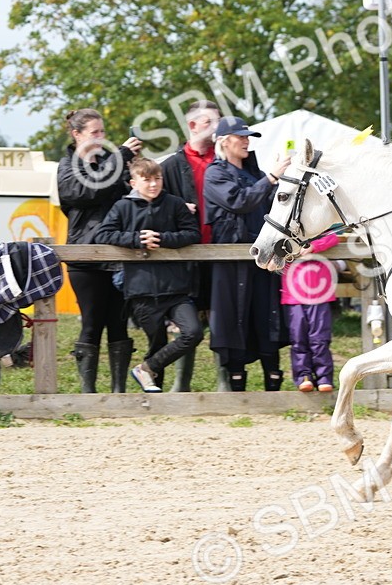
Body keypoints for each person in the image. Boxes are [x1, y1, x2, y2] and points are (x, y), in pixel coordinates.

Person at [94, 158, 203, 393]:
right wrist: (136, 239)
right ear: (134, 182)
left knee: (193, 332)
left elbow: (193, 234)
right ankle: (155, 398)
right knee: (158, 344)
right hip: (141, 290)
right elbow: (103, 234)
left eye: (157, 179)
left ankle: (145, 369)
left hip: (176, 289)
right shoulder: (122, 207)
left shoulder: (175, 204)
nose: (153, 184)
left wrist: (163, 239)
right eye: (147, 180)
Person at [57, 108, 142, 393]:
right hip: (85, 257)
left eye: (103, 132)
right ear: (76, 134)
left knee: (119, 325)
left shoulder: (111, 163)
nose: (101, 138)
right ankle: (87, 394)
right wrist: (120, 158)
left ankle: (119, 392)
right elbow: (82, 192)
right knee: (91, 325)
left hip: (118, 254)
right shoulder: (67, 166)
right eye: (95, 133)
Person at [204, 116, 291, 391]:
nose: (246, 141)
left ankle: (273, 389)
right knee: (232, 320)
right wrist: (271, 177)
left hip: (261, 257)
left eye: (247, 136)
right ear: (223, 141)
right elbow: (238, 201)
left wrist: (278, 181)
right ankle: (238, 393)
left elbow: (272, 205)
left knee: (267, 317)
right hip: (229, 262)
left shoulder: (254, 172)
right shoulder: (214, 173)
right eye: (240, 136)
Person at [160, 99, 220, 391]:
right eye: (210, 122)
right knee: (188, 320)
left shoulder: (226, 159)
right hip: (185, 254)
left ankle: (227, 383)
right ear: (193, 126)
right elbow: (156, 208)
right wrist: (178, 208)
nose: (217, 127)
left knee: (223, 315)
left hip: (222, 250)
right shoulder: (170, 166)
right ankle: (180, 384)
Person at [282, 232, 340, 392]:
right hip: (294, 294)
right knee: (298, 338)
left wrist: (315, 246)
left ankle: (324, 378)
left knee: (320, 338)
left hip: (319, 293)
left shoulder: (319, 229)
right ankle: (304, 376)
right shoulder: (284, 233)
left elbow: (334, 238)